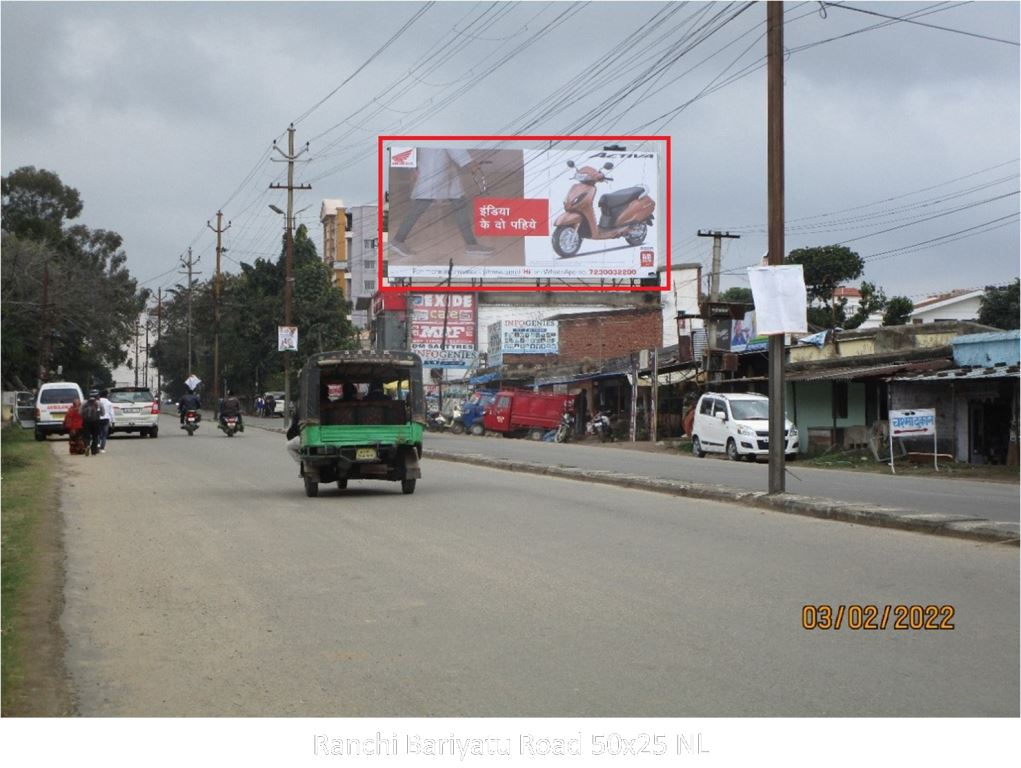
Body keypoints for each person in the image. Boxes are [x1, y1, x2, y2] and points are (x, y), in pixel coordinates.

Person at [390, 147, 493, 259]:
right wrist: (470, 163)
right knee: (420, 204)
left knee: (459, 201)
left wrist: (412, 167)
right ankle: (398, 239)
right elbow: (452, 145)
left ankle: (472, 244)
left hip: (443, 166)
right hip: (435, 166)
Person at [81, 391, 103, 456]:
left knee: (86, 435)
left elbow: (80, 412)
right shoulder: (99, 403)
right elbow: (103, 413)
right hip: (96, 421)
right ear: (97, 396)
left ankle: (87, 445)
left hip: (86, 422)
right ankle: (94, 450)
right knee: (95, 436)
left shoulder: (84, 403)